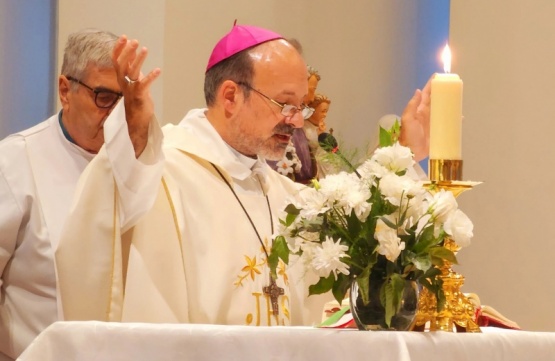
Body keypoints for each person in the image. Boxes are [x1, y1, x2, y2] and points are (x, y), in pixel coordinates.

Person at [55, 24, 430, 327]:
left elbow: (361, 253)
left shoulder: (288, 195)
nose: (297, 121)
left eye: (301, 107)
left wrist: (407, 160)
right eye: (285, 104)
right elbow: (107, 210)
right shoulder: (161, 172)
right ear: (230, 96)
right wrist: (134, 127)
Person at [0, 29, 144, 360]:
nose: (115, 115)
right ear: (66, 90)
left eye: (125, 101)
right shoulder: (15, 162)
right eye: (104, 97)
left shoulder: (138, 167)